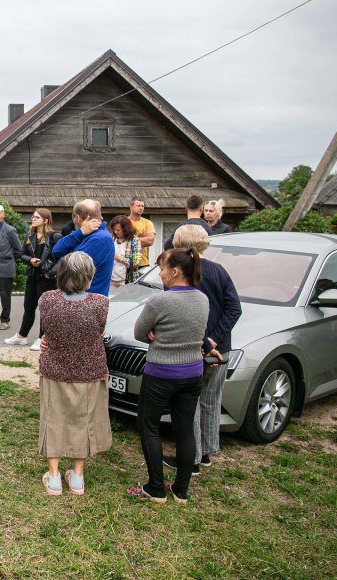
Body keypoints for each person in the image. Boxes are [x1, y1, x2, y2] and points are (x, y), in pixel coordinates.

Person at [126, 248, 208, 504]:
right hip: (193, 371)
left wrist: (155, 333)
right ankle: (181, 490)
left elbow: (140, 333)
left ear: (174, 272)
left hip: (161, 372)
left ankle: (156, 488)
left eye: (162, 269)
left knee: (149, 426)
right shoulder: (203, 299)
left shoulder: (159, 302)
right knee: (185, 430)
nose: (159, 274)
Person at [168, 225, 242, 476]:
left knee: (191, 404)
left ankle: (193, 460)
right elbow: (234, 309)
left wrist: (206, 342)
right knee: (211, 401)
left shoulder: (183, 274)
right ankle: (207, 452)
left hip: (195, 349)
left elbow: (183, 314)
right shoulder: (220, 271)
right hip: (222, 347)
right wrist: (216, 339)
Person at [37, 251, 111, 496]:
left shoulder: (46, 299)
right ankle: (77, 478)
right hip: (89, 371)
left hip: (55, 368)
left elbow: (46, 330)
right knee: (84, 420)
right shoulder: (101, 303)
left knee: (53, 418)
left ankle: (55, 478)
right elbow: (96, 334)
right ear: (88, 276)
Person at [6, 208, 59, 351]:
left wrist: (51, 273)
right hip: (32, 275)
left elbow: (63, 258)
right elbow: (21, 253)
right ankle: (22, 336)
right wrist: (30, 260)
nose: (33, 219)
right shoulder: (30, 235)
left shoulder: (55, 236)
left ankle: (42, 338)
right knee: (28, 307)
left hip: (47, 278)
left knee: (45, 310)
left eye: (37, 217)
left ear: (46, 220)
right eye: (33, 217)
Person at [52, 199, 115, 296]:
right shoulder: (85, 233)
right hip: (81, 300)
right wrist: (79, 233)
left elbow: (70, 268)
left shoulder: (99, 239)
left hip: (88, 303)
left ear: (78, 218)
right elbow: (56, 250)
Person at [108, 215, 140, 291]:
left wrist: (119, 259)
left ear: (126, 229)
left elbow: (136, 263)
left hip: (125, 280)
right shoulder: (111, 238)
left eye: (118, 230)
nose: (116, 232)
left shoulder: (134, 240)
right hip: (110, 279)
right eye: (114, 229)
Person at [127, 197, 156, 269]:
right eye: (138, 206)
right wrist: (142, 240)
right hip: (125, 262)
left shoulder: (147, 223)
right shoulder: (124, 222)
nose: (141, 208)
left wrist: (130, 240)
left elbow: (150, 241)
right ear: (131, 207)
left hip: (142, 262)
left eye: (142, 206)